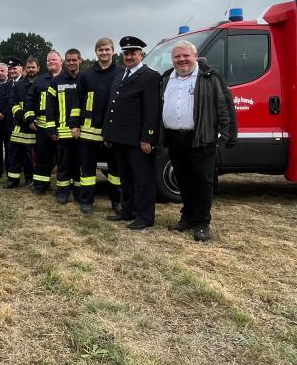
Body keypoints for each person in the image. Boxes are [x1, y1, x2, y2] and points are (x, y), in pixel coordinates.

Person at [161, 40, 237, 241]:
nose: (182, 60)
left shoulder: (209, 77)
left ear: (195, 56)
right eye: (177, 56)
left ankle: (202, 222)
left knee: (202, 181)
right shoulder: (167, 78)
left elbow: (224, 105)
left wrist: (227, 134)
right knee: (183, 179)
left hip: (202, 138)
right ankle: (187, 217)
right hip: (175, 138)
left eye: (186, 55)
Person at [102, 35, 162, 230]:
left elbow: (152, 110)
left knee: (142, 180)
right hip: (119, 138)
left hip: (137, 140)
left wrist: (148, 137)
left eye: (133, 53)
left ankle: (144, 216)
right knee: (125, 177)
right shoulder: (120, 75)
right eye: (126, 53)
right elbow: (112, 105)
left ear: (141, 55)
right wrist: (108, 134)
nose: (129, 57)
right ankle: (127, 210)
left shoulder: (150, 76)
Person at [75, 37, 123, 214]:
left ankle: (117, 201)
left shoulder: (121, 72)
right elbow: (76, 101)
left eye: (107, 49)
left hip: (112, 131)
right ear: (96, 52)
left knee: (115, 170)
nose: (104, 53)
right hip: (88, 131)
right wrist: (74, 124)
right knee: (87, 169)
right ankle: (86, 200)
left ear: (113, 51)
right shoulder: (86, 75)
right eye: (100, 50)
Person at [49, 49, 83, 205]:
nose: (71, 63)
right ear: (64, 62)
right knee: (63, 164)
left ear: (80, 60)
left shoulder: (85, 79)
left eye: (74, 60)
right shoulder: (56, 81)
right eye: (68, 60)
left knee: (79, 164)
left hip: (81, 131)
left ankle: (78, 192)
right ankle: (63, 192)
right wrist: (52, 129)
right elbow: (50, 107)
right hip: (62, 132)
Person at [28, 51, 62, 194]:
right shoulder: (40, 80)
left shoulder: (68, 79)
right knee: (42, 157)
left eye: (54, 59)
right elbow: (30, 100)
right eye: (48, 60)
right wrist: (30, 118)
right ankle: (41, 185)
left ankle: (63, 188)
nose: (51, 62)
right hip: (42, 126)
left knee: (62, 159)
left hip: (62, 126)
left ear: (61, 61)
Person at [4, 58, 36, 189]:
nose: (31, 70)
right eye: (29, 67)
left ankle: (30, 179)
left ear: (38, 68)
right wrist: (25, 118)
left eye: (33, 67)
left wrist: (33, 120)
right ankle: (13, 180)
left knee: (30, 156)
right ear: (25, 69)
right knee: (15, 153)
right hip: (19, 125)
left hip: (35, 126)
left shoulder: (41, 84)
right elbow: (14, 104)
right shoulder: (18, 85)